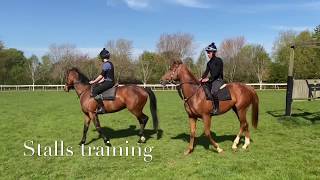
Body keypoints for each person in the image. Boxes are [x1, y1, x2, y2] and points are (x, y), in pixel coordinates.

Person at [199, 42, 224, 115]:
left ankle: (216, 109)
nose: (208, 54)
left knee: (213, 92)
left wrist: (208, 79)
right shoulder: (209, 63)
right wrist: (201, 78)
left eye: (209, 52)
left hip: (218, 80)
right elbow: (206, 72)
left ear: (213, 52)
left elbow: (216, 73)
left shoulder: (219, 60)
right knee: (202, 87)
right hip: (212, 80)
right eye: (207, 52)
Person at [89, 48, 115, 114]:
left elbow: (101, 75)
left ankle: (102, 108)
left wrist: (94, 81)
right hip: (108, 81)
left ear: (102, 57)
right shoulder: (109, 63)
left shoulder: (106, 64)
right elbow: (104, 77)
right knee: (95, 87)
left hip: (109, 83)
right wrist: (98, 82)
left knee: (95, 92)